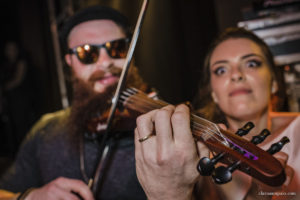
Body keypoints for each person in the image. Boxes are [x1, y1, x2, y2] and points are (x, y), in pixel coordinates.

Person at [0, 5, 148, 200]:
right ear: (70, 61)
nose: (105, 62)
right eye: (87, 52)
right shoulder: (45, 131)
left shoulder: (163, 127)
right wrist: (28, 197)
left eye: (117, 48)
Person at [134, 27, 300, 200]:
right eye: (221, 70)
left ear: (274, 82)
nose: (236, 75)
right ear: (214, 93)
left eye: (251, 63)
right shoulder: (194, 156)